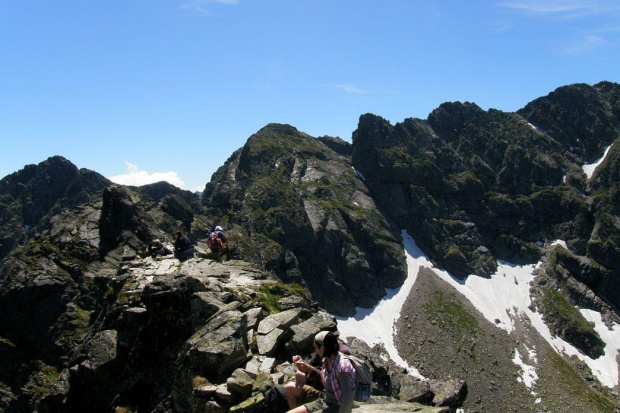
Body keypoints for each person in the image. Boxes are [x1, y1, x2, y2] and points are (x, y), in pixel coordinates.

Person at [288, 332, 356, 413]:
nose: (315, 350)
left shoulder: (341, 367)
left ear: (322, 349)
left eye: (316, 347)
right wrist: (304, 366)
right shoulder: (327, 360)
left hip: (336, 407)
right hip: (325, 401)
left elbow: (347, 398)